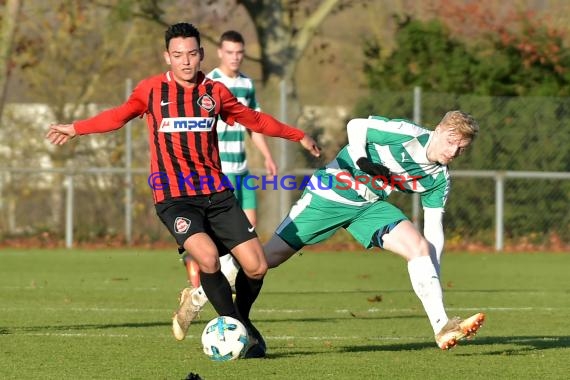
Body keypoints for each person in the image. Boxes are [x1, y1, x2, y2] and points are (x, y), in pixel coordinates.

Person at [45, 22, 320, 358]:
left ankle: (240, 322)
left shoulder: (215, 92)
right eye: (178, 55)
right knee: (207, 258)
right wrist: (76, 128)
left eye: (192, 53)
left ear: (202, 54)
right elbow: (118, 117)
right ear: (167, 57)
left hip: (217, 194)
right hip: (174, 197)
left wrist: (297, 134)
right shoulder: (151, 91)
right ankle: (239, 330)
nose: (186, 61)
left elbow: (253, 120)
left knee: (257, 266)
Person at [178, 110, 485, 350]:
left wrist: (435, 270)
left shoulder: (439, 178)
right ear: (441, 130)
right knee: (263, 260)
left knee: (418, 248)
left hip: (369, 207)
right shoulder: (405, 134)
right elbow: (355, 126)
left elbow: (434, 229)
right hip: (329, 195)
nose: (455, 153)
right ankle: (198, 296)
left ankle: (442, 326)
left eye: (462, 149)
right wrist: (362, 158)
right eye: (452, 144)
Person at [178, 30, 277, 297]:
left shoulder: (246, 84)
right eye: (230, 52)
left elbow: (254, 124)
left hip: (243, 170)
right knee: (226, 235)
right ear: (220, 53)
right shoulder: (209, 83)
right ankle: (207, 269)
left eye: (239, 53)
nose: (235, 57)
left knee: (250, 229)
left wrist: (267, 156)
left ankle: (219, 273)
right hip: (219, 172)